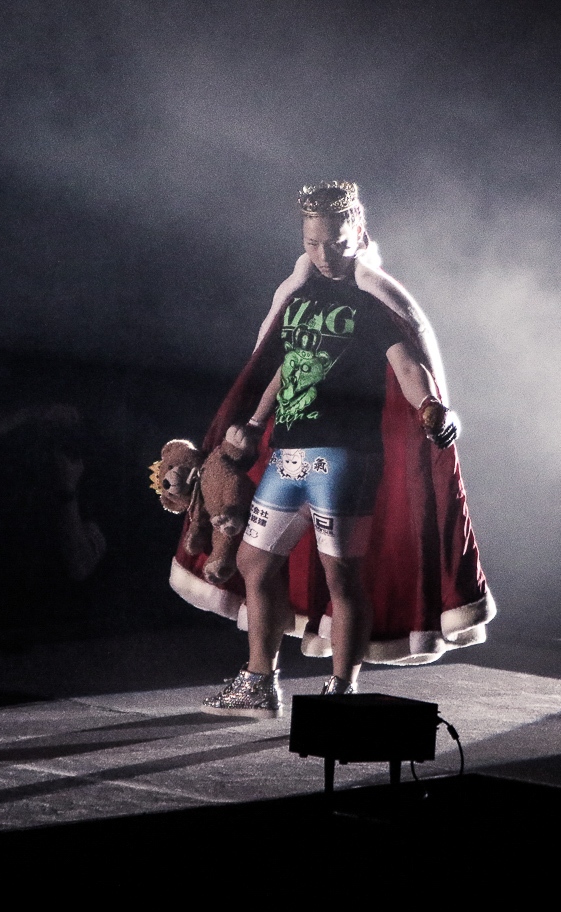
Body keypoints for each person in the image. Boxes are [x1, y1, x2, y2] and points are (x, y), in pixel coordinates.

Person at [169, 181, 494, 717]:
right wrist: (255, 420)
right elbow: (285, 365)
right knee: (252, 562)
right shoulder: (299, 296)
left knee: (342, 576)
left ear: (358, 234)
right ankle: (259, 682)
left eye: (336, 243)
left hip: (345, 461)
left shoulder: (372, 302)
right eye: (313, 242)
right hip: (289, 455)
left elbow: (408, 363)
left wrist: (432, 406)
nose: (324, 255)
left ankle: (342, 691)